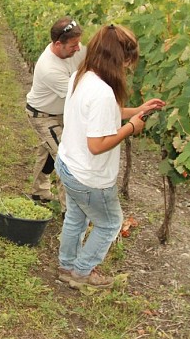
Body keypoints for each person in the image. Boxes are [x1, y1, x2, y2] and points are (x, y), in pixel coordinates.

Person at [56, 24, 165, 289]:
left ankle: (66, 266)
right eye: (128, 61)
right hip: (89, 177)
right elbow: (96, 144)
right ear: (118, 58)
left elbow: (98, 114)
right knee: (110, 224)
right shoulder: (103, 92)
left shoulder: (82, 76)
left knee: (75, 217)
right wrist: (131, 128)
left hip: (68, 165)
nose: (128, 67)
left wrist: (136, 110)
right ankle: (82, 274)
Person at [25, 17, 86, 213]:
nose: (78, 49)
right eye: (73, 46)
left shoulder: (72, 49)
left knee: (49, 153)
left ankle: (39, 191)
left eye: (79, 44)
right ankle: (70, 213)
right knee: (66, 158)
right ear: (58, 44)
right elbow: (80, 96)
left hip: (60, 112)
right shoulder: (49, 68)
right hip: (44, 116)